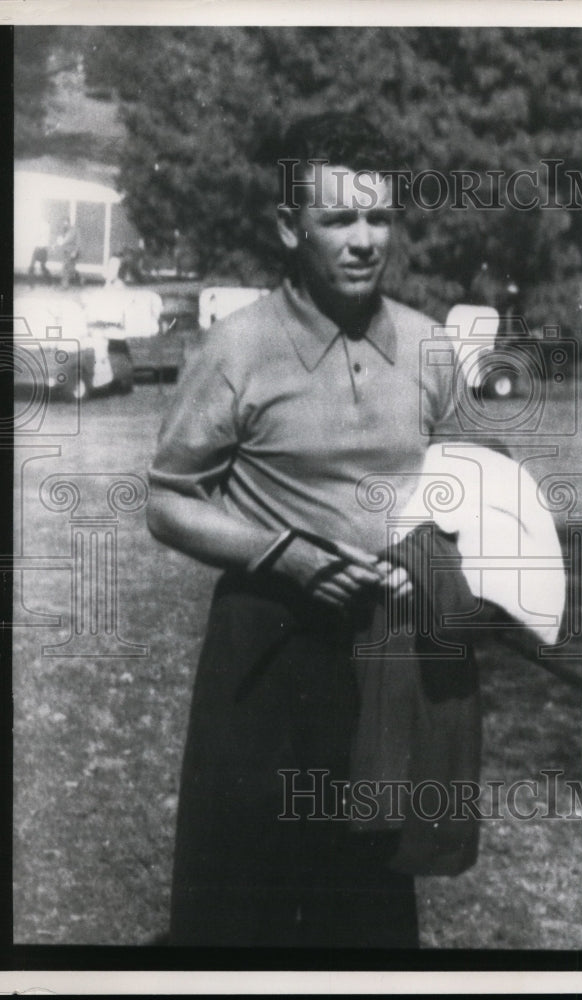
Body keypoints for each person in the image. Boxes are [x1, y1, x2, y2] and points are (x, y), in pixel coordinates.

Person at [146, 113, 470, 949]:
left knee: (365, 913)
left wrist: (433, 560)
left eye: (380, 217)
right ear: (289, 227)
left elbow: (477, 491)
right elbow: (170, 499)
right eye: (338, 220)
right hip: (266, 652)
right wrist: (282, 555)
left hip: (384, 654)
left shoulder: (432, 348)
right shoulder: (238, 347)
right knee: (233, 912)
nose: (365, 241)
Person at [58, 218, 80, 289]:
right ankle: (79, 279)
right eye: (64, 223)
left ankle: (65, 285)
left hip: (72, 252)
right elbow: (61, 241)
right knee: (68, 268)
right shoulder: (64, 231)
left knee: (67, 268)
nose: (65, 225)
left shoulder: (75, 230)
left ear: (69, 223)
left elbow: (78, 242)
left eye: (66, 223)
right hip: (65, 252)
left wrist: (75, 251)